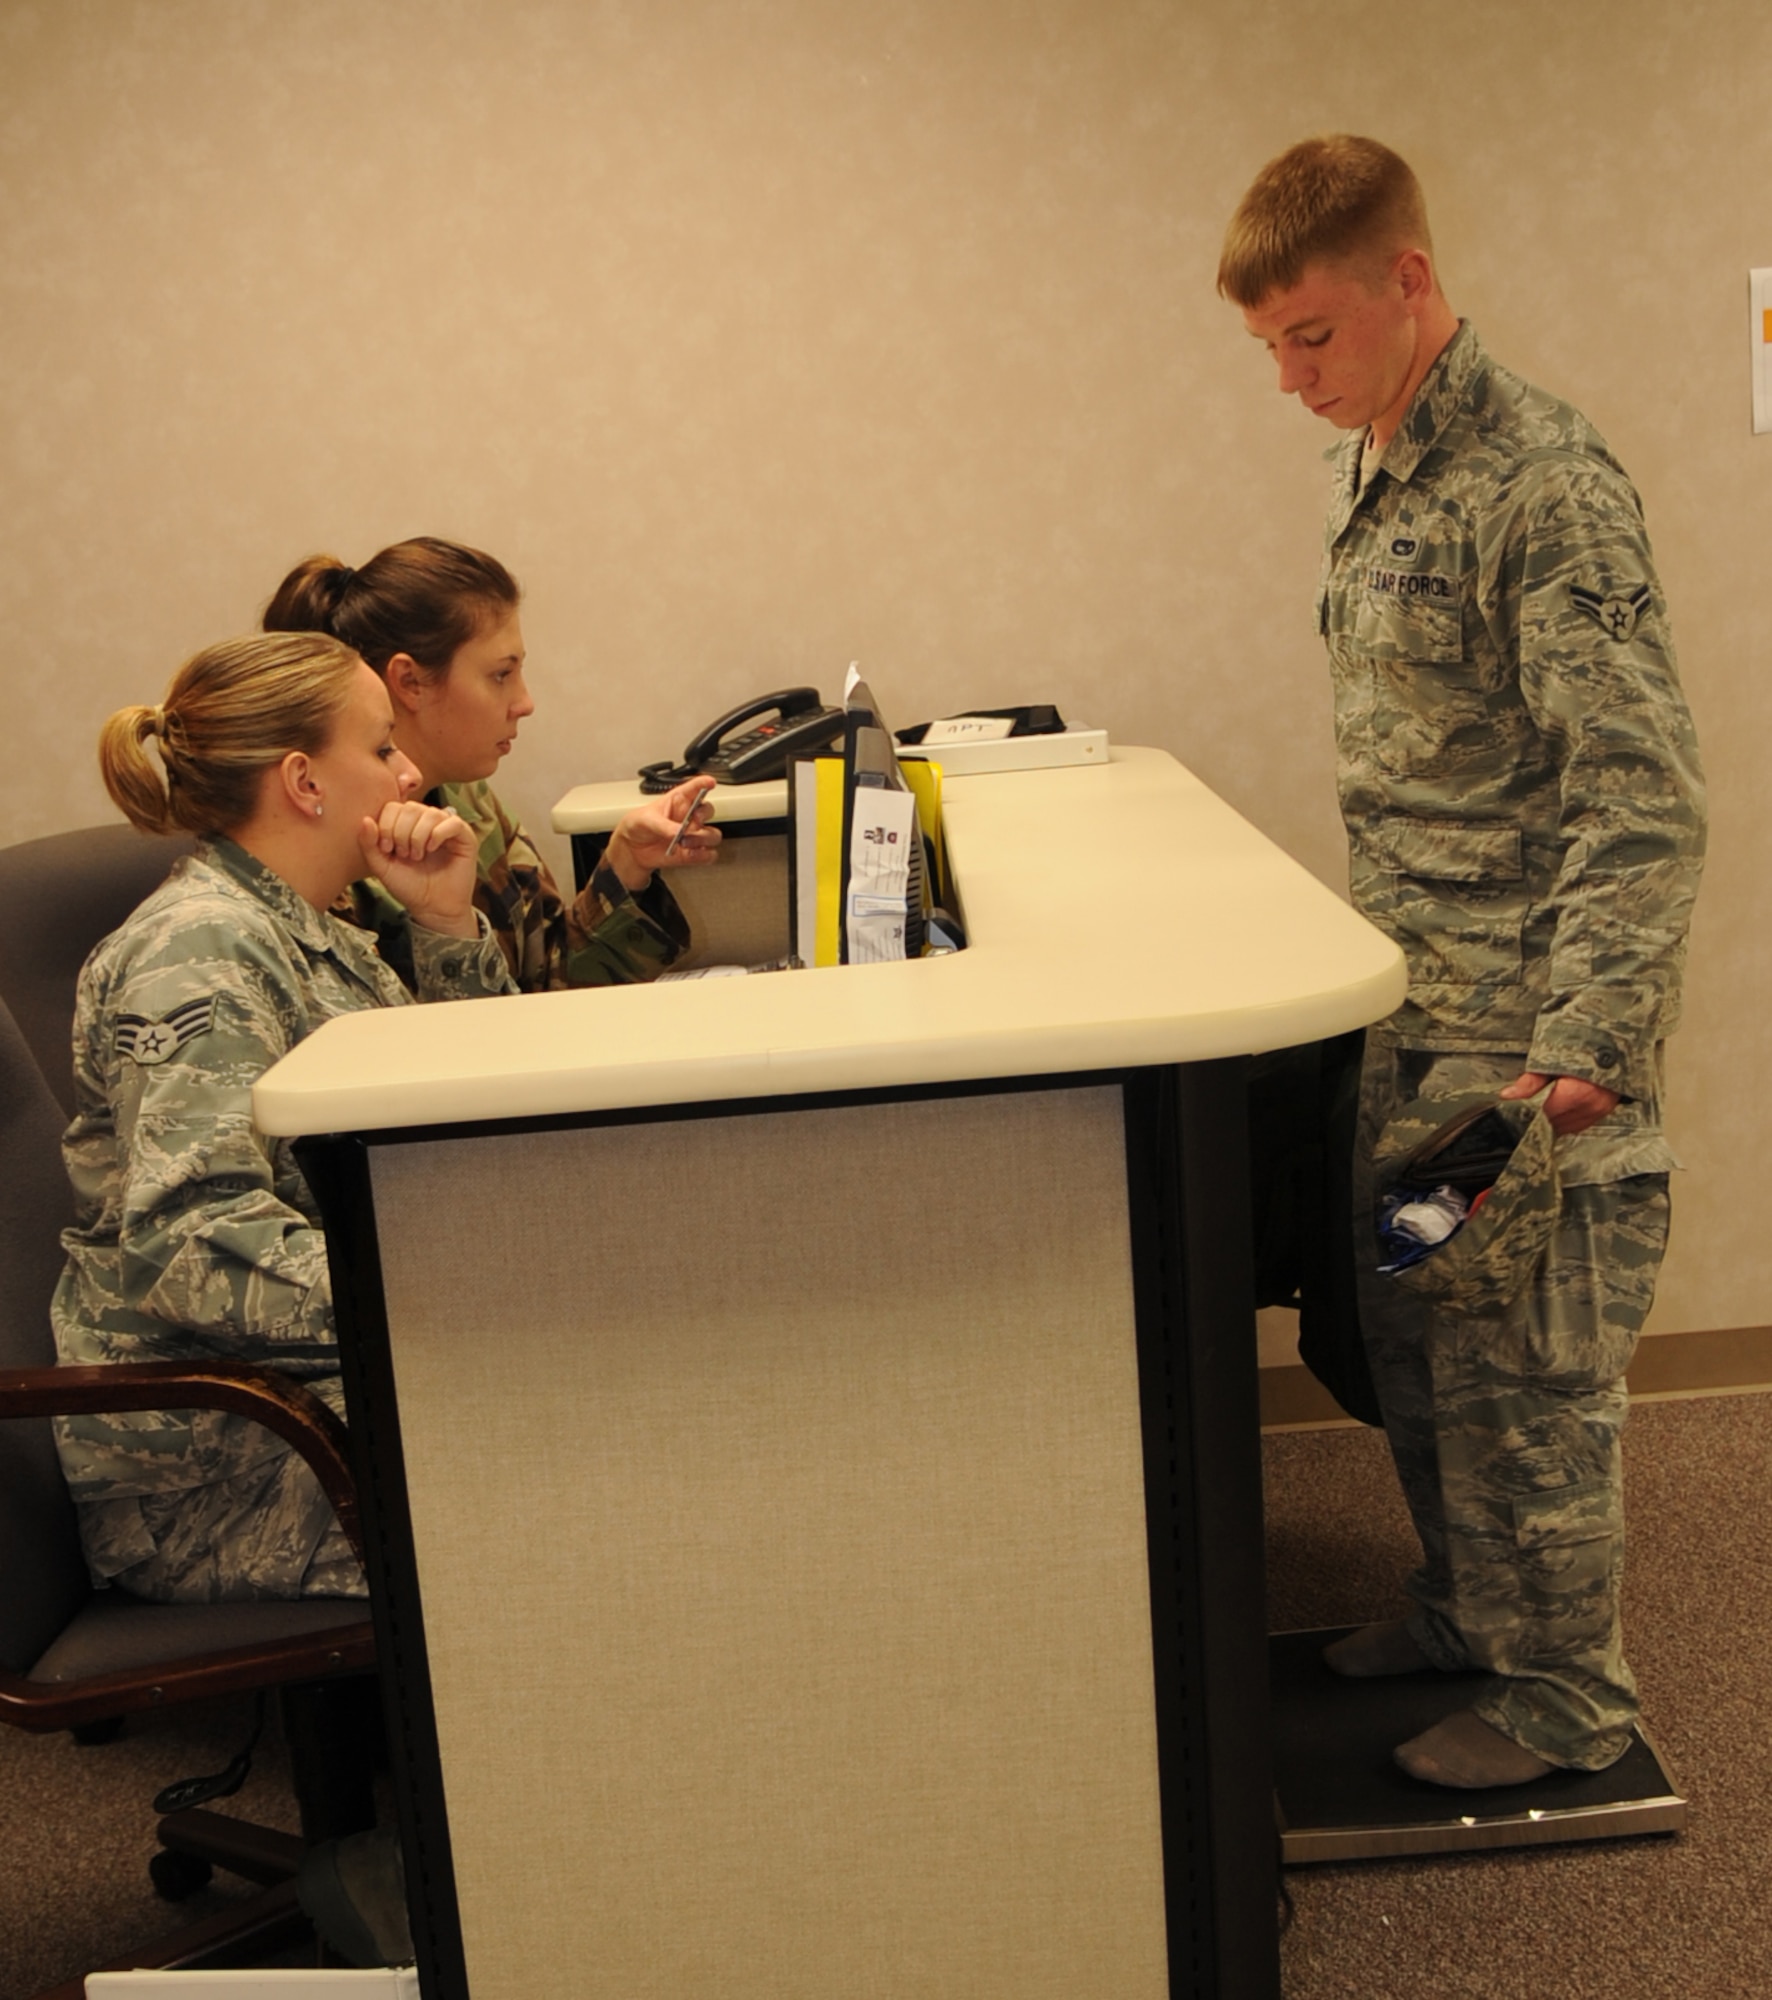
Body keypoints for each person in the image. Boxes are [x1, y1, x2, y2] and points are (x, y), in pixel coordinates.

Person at [1218, 136, 1705, 1787]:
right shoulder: (1374, 470)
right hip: (1415, 1019)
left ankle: (1569, 1699)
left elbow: (1639, 792)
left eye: (1311, 335)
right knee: (1422, 1341)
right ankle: (1460, 1610)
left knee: (1527, 1374)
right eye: (1269, 345)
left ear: (1407, 281)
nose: (1289, 377)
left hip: (1523, 1047)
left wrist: (1587, 1050)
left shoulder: (1541, 486)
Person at [53, 631, 517, 1606]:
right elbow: (190, 1244)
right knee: (588, 1456)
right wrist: (444, 1296)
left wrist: (442, 923)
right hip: (226, 1468)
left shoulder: (304, 926)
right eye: (382, 747)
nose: (410, 771)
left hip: (314, 1394)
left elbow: (466, 1105)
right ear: (305, 782)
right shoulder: (200, 950)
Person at [262, 537, 719, 992]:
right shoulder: (332, 850)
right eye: (501, 674)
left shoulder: (468, 801)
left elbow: (545, 985)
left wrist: (625, 867)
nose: (524, 702)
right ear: (410, 682)